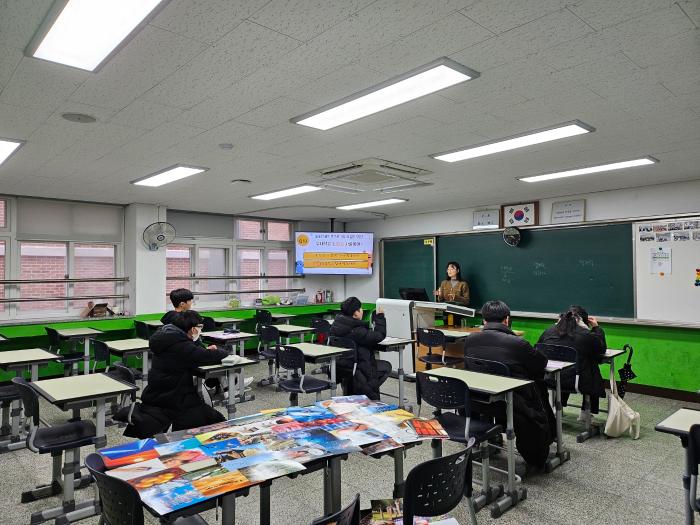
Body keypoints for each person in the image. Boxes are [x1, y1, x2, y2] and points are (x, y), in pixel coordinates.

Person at [463, 300, 555, 469]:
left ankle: (491, 437)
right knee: (539, 391)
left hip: (480, 401)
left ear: (484, 320)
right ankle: (537, 458)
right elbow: (540, 364)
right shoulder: (517, 343)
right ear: (506, 319)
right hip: (514, 405)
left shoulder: (470, 339)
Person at [141, 310, 228, 431]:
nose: (200, 330)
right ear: (192, 329)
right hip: (174, 399)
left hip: (158, 394)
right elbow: (208, 356)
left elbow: (194, 354)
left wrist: (205, 351)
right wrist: (218, 350)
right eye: (200, 327)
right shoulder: (181, 345)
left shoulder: (167, 338)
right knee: (217, 421)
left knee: (208, 416)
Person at [537, 305, 607, 415]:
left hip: (550, 379)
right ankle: (586, 412)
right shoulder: (585, 335)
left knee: (567, 368)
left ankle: (557, 408)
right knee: (590, 365)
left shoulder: (548, 331)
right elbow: (601, 350)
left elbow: (538, 349)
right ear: (583, 321)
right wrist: (596, 328)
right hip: (577, 382)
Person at [330, 296, 392, 400]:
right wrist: (380, 317)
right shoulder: (357, 330)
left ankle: (356, 389)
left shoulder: (336, 325)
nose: (362, 310)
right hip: (360, 367)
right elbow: (380, 335)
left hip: (342, 366)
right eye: (361, 308)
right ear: (356, 313)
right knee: (386, 366)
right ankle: (366, 389)